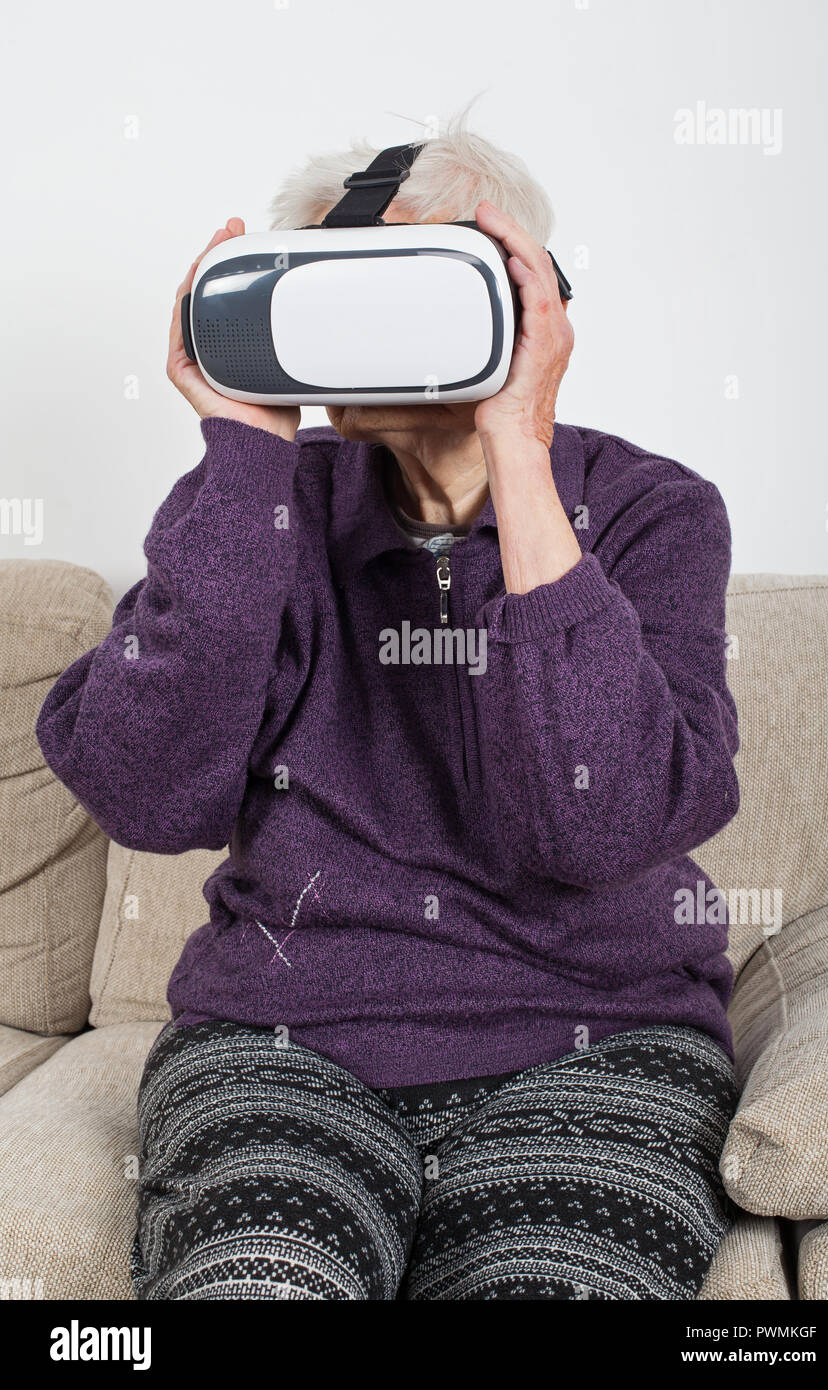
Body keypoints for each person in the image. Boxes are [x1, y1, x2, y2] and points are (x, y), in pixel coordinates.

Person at [36, 116, 741, 1300]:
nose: (343, 333)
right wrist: (244, 452)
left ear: (514, 302)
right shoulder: (268, 504)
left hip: (593, 1042)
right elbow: (146, 795)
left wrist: (517, 457)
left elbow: (603, 825)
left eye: (390, 292)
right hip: (281, 1048)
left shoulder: (651, 514)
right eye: (316, 292)